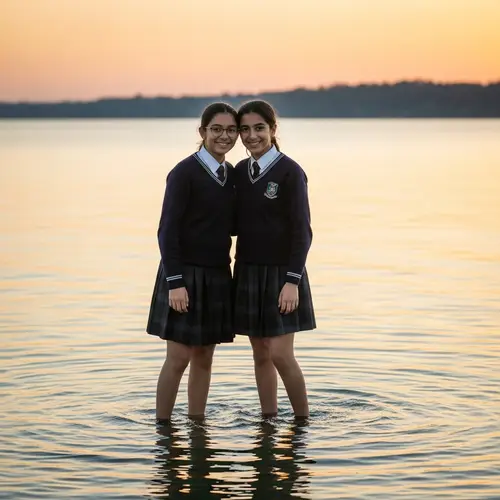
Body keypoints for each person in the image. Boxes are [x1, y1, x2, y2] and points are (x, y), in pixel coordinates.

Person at [147, 102, 239, 423]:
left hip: (216, 275)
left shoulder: (231, 176)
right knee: (178, 357)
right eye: (216, 129)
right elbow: (166, 230)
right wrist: (175, 282)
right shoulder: (184, 172)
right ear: (202, 132)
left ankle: (196, 424)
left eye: (230, 130)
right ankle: (163, 428)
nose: (224, 137)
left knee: (204, 356)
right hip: (182, 275)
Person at [233, 100, 316, 419]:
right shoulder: (240, 172)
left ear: (272, 129)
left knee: (281, 354)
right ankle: (268, 420)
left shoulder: (290, 172)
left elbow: (302, 232)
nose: (252, 136)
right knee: (260, 354)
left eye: (259, 128)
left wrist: (292, 282)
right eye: (245, 130)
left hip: (284, 275)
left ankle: (302, 422)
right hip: (249, 271)